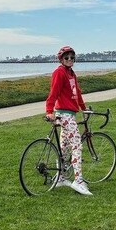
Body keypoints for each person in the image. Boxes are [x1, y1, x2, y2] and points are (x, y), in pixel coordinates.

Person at [45, 45, 92, 196]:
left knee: (64, 147)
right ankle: (78, 181)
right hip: (64, 114)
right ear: (61, 59)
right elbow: (54, 92)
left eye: (72, 57)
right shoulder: (59, 72)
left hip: (69, 114)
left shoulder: (72, 74)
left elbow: (77, 93)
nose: (70, 60)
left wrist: (83, 108)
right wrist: (49, 110)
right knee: (77, 145)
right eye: (66, 58)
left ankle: (61, 178)